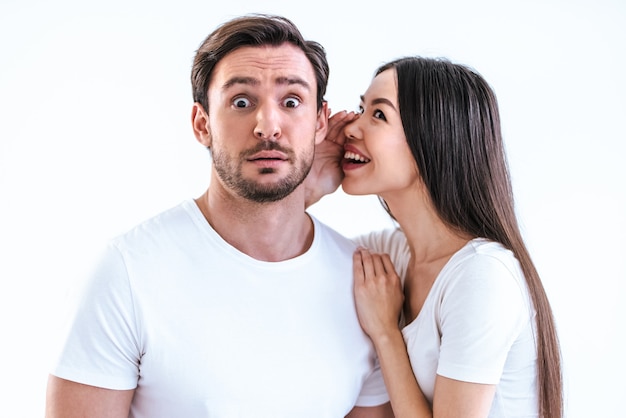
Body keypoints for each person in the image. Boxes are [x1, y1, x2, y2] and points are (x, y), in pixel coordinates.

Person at [45, 14, 393, 418]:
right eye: (241, 102)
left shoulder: (365, 283)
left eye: (292, 102)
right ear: (202, 124)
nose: (268, 126)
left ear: (319, 122)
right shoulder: (126, 272)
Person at [310, 56, 563, 417]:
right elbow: (286, 256)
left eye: (378, 115)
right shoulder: (389, 254)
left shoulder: (482, 275)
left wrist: (386, 333)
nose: (351, 127)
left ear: (432, 138)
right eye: (360, 108)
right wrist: (307, 189)